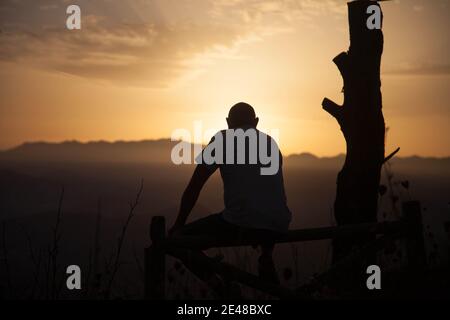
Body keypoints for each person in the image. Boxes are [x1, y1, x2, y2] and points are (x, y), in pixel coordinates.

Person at [169, 102, 291, 289]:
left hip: (241, 223)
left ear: (227, 122)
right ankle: (265, 258)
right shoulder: (271, 143)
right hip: (279, 225)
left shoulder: (222, 140)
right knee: (261, 212)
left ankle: (221, 288)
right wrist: (266, 252)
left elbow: (194, 186)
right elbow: (271, 195)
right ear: (256, 122)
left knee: (176, 242)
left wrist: (178, 224)